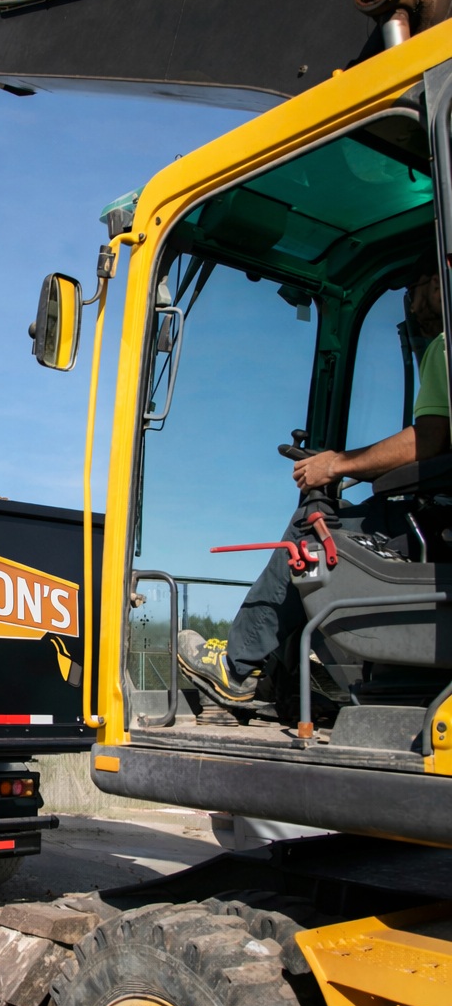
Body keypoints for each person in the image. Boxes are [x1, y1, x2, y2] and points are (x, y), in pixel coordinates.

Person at [178, 268, 449, 710]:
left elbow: (430, 439)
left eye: (415, 292)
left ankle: (239, 667)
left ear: (439, 284)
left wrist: (338, 464)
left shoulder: (444, 345)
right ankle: (304, 672)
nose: (413, 308)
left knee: (313, 528)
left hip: (436, 522)